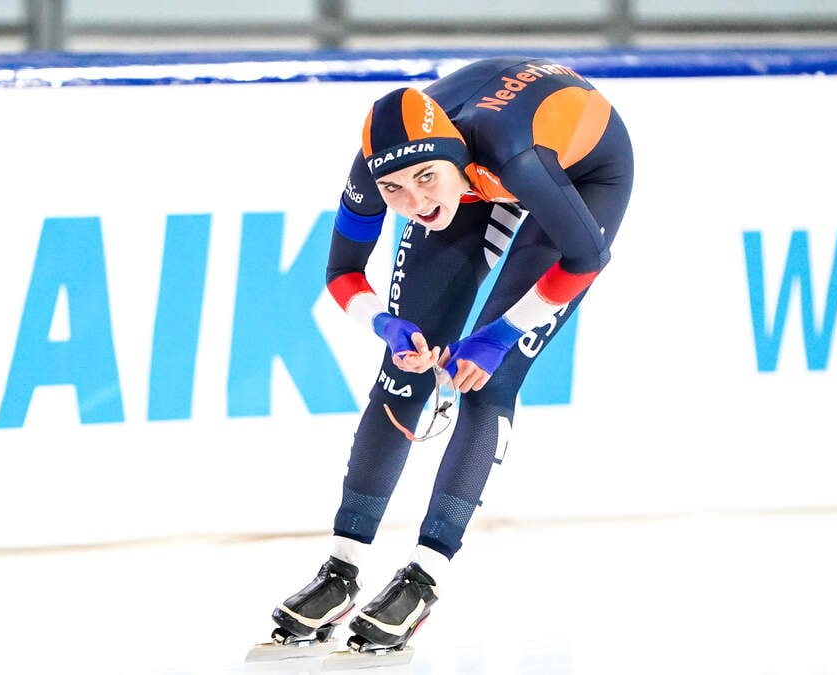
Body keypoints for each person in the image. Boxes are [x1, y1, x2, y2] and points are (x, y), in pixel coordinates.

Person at [269, 56, 634, 652]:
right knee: (402, 375)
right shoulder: (380, 170)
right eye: (395, 191)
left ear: (456, 158)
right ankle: (340, 568)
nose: (414, 202)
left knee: (486, 381)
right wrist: (385, 325)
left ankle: (425, 575)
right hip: (474, 168)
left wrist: (498, 336)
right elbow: (341, 273)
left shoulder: (513, 156)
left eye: (425, 180)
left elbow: (586, 259)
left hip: (576, 170)